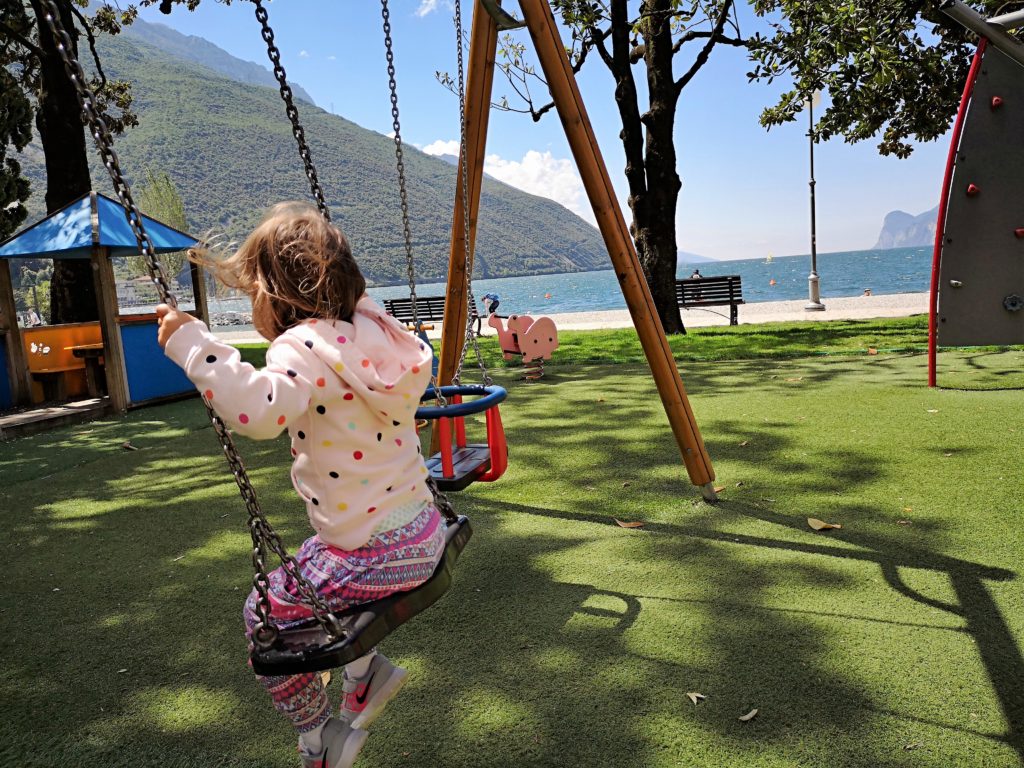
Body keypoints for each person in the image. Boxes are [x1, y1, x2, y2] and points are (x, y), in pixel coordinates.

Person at [155, 202, 444, 768]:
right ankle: (364, 676)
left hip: (372, 553)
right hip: (423, 531)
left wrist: (193, 345)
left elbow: (260, 412)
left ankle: (320, 739)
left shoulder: (299, 347)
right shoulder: (375, 329)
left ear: (274, 295)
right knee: (314, 560)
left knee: (264, 619)